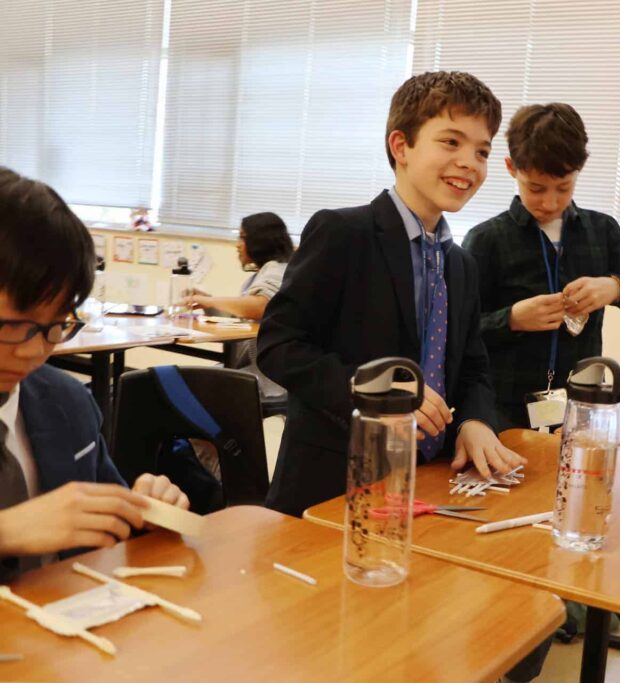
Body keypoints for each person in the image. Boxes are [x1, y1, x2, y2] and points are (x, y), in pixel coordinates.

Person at [257, 71, 525, 518]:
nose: (469, 163)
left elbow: (473, 366)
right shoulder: (343, 233)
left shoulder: (459, 264)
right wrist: (379, 393)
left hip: (432, 481)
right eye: (451, 142)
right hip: (334, 485)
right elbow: (279, 346)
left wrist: (476, 421)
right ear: (401, 146)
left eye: (482, 151)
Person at [0, 166, 190, 581]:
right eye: (11, 324)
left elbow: (103, 516)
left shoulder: (66, 401)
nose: (33, 351)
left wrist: (144, 515)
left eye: (55, 326)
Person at [463, 103, 620, 430]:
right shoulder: (486, 240)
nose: (549, 203)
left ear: (578, 171)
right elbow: (457, 334)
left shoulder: (602, 231)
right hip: (504, 414)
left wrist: (616, 287)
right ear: (510, 167)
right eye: (535, 188)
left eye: (563, 188)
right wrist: (512, 320)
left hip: (583, 410)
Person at [182, 211, 292, 407]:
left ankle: (211, 438)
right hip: (250, 366)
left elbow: (261, 306)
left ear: (259, 240)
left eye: (242, 237)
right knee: (192, 384)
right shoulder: (262, 273)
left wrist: (212, 300)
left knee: (196, 388)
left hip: (267, 376)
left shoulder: (277, 269)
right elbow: (243, 316)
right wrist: (209, 301)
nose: (237, 244)